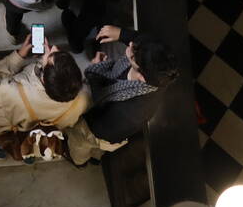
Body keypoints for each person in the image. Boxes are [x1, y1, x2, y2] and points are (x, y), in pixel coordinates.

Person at [67, 26, 182, 166]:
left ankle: (79, 161)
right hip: (109, 123)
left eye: (133, 56)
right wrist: (121, 34)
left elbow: (97, 107)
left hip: (97, 131)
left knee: (80, 144)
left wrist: (95, 73)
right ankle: (95, 156)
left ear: (141, 77)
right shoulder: (157, 64)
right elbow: (144, 40)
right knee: (96, 148)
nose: (131, 44)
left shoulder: (132, 111)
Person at [0, 39, 88, 135]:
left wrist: (18, 57)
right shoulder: (83, 98)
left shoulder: (11, 92)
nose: (54, 47)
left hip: (12, 122)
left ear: (44, 79)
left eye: (51, 55)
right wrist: (46, 59)